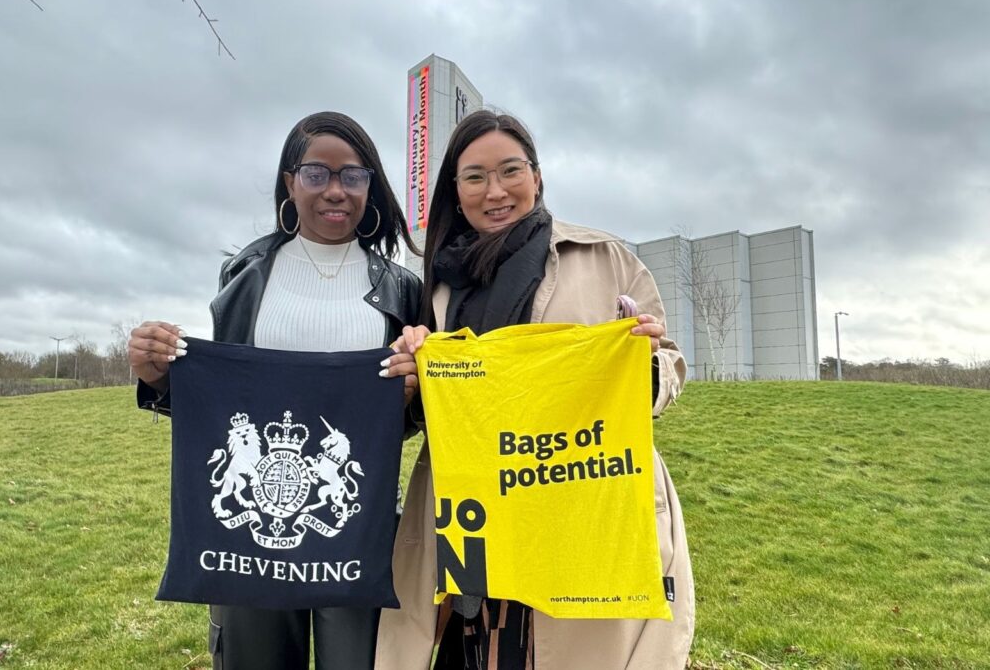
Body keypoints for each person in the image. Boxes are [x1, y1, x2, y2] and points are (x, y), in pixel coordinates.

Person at [376, 110, 693, 669]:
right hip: (472, 509)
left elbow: (668, 367)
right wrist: (414, 377)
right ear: (455, 189)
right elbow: (438, 409)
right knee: (470, 642)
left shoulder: (605, 258)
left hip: (573, 493)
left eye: (510, 171)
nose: (494, 191)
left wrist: (642, 368)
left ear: (537, 176)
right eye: (474, 176)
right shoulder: (440, 283)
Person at [127, 111, 423, 670]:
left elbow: (411, 417)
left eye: (353, 175)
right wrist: (159, 376)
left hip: (355, 532)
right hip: (248, 539)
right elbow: (224, 393)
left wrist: (410, 395)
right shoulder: (245, 273)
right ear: (289, 182)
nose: (335, 190)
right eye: (317, 173)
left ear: (371, 186)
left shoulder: (403, 288)